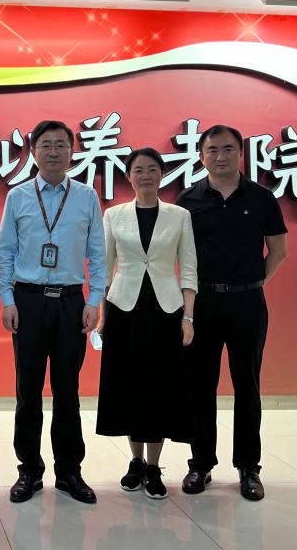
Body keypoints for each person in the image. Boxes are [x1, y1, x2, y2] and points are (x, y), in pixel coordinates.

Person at [0, 120, 106, 504]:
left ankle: (69, 471)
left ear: (72, 151)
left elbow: (98, 254)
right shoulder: (19, 196)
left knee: (67, 391)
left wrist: (94, 300)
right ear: (33, 151)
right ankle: (29, 470)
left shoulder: (87, 197)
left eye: (61, 144)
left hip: (72, 303)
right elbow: (5, 252)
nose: (54, 151)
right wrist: (7, 299)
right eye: (46, 145)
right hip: (28, 301)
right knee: (27, 391)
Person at [177, 124, 288, 501]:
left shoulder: (261, 197)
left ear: (241, 154)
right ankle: (200, 463)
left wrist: (254, 282)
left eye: (228, 149)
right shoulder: (188, 199)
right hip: (203, 302)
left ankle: (248, 467)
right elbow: (178, 254)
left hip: (248, 304)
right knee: (199, 386)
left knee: (248, 386)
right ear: (201, 156)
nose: (220, 156)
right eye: (212, 150)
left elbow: (279, 251)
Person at [95, 147, 197, 499]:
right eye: (139, 169)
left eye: (153, 169)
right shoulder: (114, 215)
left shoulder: (179, 216)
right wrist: (102, 313)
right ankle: (135, 461)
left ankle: (154, 465)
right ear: (129, 176)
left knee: (160, 386)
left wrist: (188, 316)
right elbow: (104, 267)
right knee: (128, 385)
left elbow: (189, 268)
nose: (146, 175)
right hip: (124, 307)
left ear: (162, 174)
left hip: (165, 309)